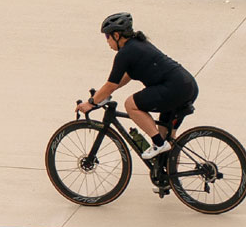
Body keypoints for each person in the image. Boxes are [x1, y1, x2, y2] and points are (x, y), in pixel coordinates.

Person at [76, 12, 198, 160]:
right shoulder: (138, 44)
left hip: (173, 88)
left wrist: (91, 103)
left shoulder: (125, 53)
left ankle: (158, 144)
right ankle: (170, 178)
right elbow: (125, 77)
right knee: (167, 136)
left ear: (116, 35)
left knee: (131, 104)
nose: (107, 41)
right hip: (187, 86)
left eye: (107, 37)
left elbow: (111, 84)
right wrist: (102, 96)